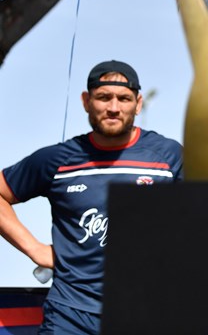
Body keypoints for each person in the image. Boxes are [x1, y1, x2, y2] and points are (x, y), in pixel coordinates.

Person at [0, 60, 183, 335]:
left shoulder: (168, 156)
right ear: (87, 101)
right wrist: (34, 248)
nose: (113, 107)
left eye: (123, 98)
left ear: (138, 103)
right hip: (69, 316)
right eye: (103, 97)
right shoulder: (58, 160)